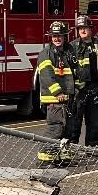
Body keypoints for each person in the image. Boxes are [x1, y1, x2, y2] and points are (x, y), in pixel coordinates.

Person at [35, 20, 73, 165]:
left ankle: (62, 157)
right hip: (54, 99)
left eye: (60, 36)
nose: (57, 39)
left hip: (66, 99)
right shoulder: (46, 54)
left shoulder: (67, 52)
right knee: (55, 129)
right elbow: (46, 76)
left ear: (65, 37)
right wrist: (57, 93)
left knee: (66, 130)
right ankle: (45, 159)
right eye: (54, 36)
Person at [68, 15, 98, 148]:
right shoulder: (72, 46)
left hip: (95, 89)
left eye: (85, 28)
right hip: (78, 92)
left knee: (95, 122)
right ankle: (72, 148)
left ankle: (93, 148)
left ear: (91, 29)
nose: (82, 31)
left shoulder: (97, 45)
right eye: (80, 28)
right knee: (74, 122)